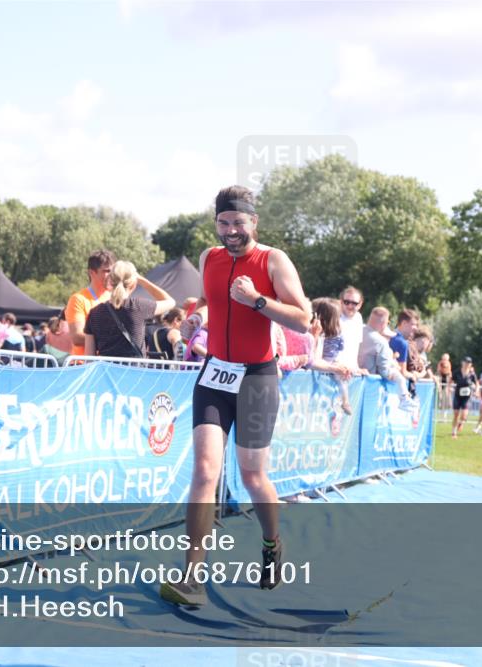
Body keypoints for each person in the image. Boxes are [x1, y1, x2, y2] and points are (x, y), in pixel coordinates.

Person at [159, 185, 312, 607]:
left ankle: (272, 542)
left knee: (252, 477)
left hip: (257, 379)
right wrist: (194, 320)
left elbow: (304, 319)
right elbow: (209, 301)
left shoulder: (273, 260)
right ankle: (192, 576)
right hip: (215, 375)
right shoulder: (210, 257)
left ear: (254, 223)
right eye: (223, 223)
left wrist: (258, 301)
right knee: (205, 471)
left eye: (238, 223)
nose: (230, 231)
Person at [84, 261, 174, 358]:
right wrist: (142, 280)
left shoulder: (94, 313)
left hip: (106, 371)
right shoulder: (139, 306)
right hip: (134, 371)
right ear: (133, 284)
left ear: (110, 281)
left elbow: (89, 356)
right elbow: (171, 302)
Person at [358, 307, 417, 409]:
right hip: (370, 388)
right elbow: (384, 371)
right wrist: (395, 370)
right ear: (384, 322)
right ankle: (404, 398)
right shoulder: (381, 342)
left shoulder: (357, 330)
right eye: (388, 322)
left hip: (354, 383)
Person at [65, 250, 116, 358]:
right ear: (92, 272)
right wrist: (111, 341)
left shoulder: (115, 297)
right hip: (83, 365)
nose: (111, 275)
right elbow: (77, 337)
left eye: (112, 271)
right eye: (106, 271)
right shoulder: (78, 299)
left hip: (108, 365)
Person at [336, 286, 365, 372]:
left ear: (360, 304)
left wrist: (356, 368)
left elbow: (355, 348)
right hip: (334, 370)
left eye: (354, 303)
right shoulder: (335, 317)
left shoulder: (358, 318)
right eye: (346, 302)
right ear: (341, 302)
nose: (350, 306)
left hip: (350, 371)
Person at [451, 357, 479, 437]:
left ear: (471, 364)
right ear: (462, 363)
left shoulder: (472, 374)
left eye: (469, 363)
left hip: (466, 397)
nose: (467, 364)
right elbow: (451, 381)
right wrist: (449, 388)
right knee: (456, 414)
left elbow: (477, 383)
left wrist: (477, 391)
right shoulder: (457, 372)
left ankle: (461, 422)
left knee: (464, 415)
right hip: (457, 395)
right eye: (466, 362)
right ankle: (454, 432)